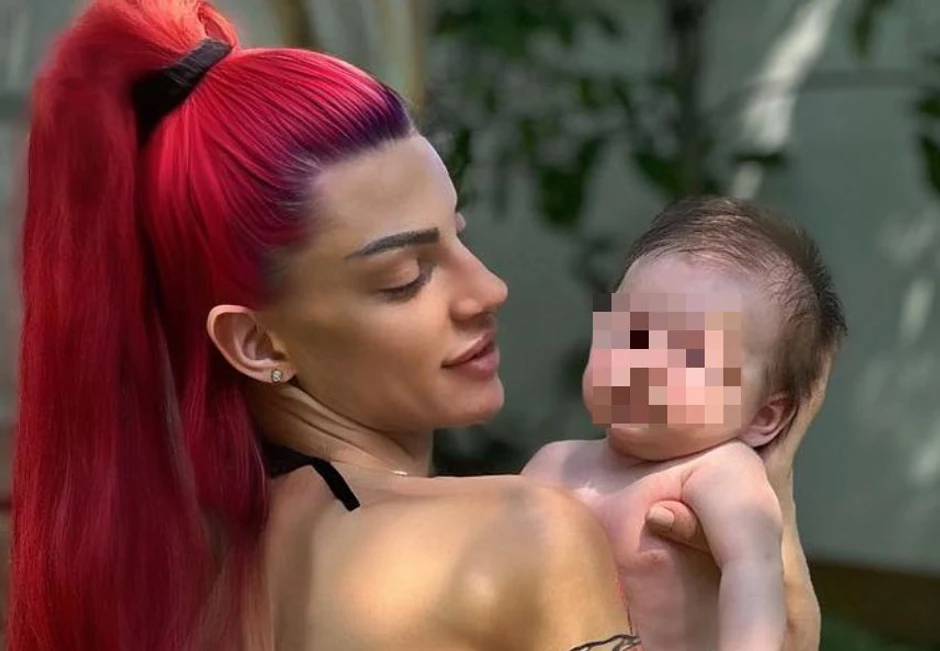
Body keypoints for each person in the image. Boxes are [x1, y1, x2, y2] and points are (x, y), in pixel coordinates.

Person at [7, 0, 823, 649]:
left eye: (459, 235)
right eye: (405, 276)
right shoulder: (523, 534)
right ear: (256, 343)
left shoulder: (169, 567)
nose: (489, 289)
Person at [523, 197, 846, 651]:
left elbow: (754, 572)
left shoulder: (719, 472)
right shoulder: (554, 464)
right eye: (629, 335)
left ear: (764, 416)